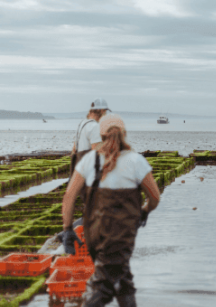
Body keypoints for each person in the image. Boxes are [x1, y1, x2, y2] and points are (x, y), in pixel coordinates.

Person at [61, 114, 161, 307]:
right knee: (102, 287)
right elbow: (154, 197)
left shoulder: (89, 161)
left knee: (124, 282)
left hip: (95, 233)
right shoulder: (135, 161)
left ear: (100, 135)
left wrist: (67, 229)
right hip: (121, 235)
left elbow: (69, 196)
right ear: (124, 134)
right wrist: (145, 211)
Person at [69, 98, 111, 177]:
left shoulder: (82, 124)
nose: (105, 115)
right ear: (101, 110)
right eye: (105, 112)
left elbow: (74, 149)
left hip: (78, 167)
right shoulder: (95, 126)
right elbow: (96, 154)